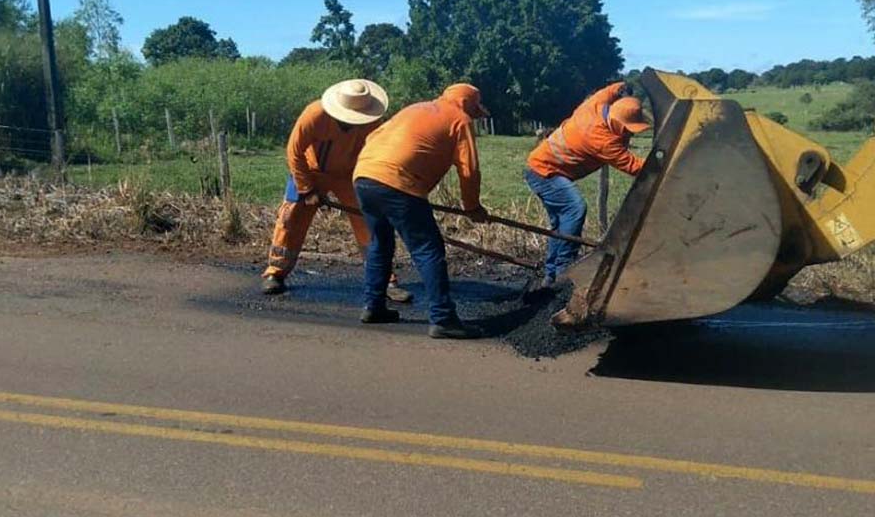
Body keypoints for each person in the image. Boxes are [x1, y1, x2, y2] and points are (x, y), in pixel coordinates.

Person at [352, 84, 491, 339]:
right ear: (468, 104)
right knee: (428, 249)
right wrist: (472, 207)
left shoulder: (416, 108)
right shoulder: (459, 119)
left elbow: (373, 138)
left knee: (380, 245)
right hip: (397, 182)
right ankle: (443, 318)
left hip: (364, 175)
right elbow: (469, 170)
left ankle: (374, 306)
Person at [262, 78, 412, 303]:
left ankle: (385, 280)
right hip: (310, 171)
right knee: (290, 218)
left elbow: (381, 152)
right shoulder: (314, 115)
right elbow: (294, 152)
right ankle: (275, 273)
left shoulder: (374, 122)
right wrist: (306, 188)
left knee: (370, 223)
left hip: (351, 175)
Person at [525, 82, 650, 285]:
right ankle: (565, 270)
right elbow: (635, 167)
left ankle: (551, 275)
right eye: (628, 129)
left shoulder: (595, 105)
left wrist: (623, 88)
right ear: (618, 123)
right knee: (575, 208)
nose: (631, 134)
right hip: (544, 172)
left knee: (561, 224)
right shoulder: (602, 139)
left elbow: (610, 90)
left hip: (540, 167)